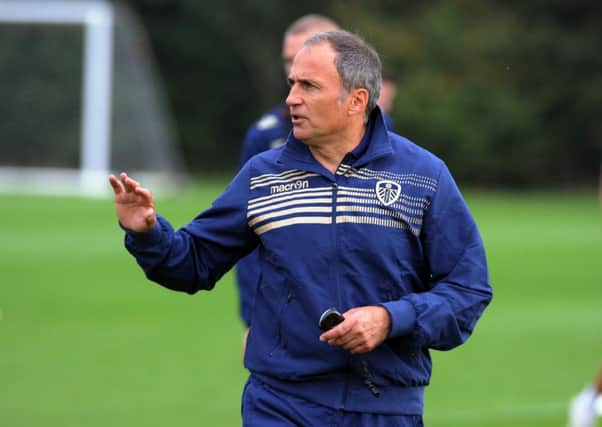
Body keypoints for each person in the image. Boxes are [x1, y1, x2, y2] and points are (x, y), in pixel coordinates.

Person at [109, 30, 492, 426]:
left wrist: (390, 318)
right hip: (281, 404)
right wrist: (146, 233)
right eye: (292, 83)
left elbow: (468, 290)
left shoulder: (423, 176)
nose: (292, 98)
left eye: (309, 85)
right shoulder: (262, 175)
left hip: (385, 408)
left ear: (357, 100)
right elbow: (191, 264)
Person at [236, 14, 340, 330]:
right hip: (284, 314)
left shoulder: (383, 138)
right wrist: (252, 318)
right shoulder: (265, 136)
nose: (294, 69)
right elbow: (245, 232)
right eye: (288, 60)